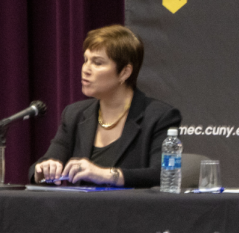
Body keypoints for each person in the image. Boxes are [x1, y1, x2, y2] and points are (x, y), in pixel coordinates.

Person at [31, 25, 181, 187]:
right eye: (86, 60)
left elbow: (162, 173)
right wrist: (43, 170)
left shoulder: (159, 116)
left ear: (124, 72)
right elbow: (41, 165)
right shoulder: (75, 114)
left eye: (97, 63)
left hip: (132, 210)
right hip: (81, 210)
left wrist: (106, 175)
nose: (86, 69)